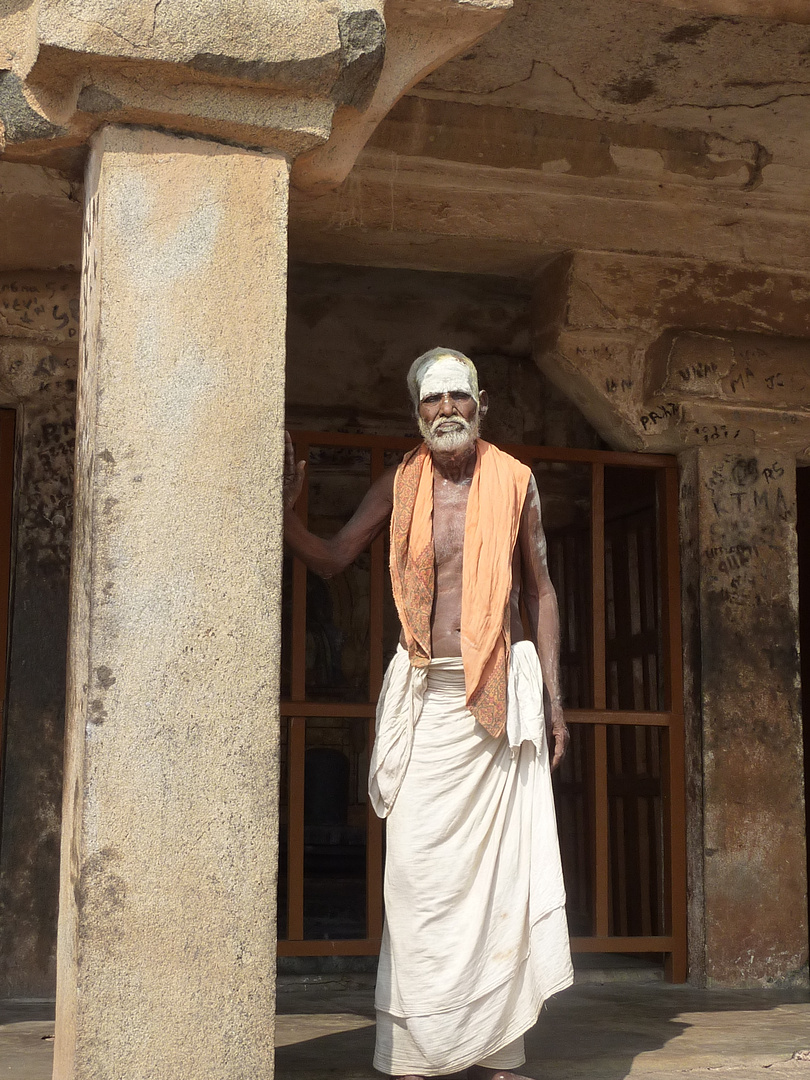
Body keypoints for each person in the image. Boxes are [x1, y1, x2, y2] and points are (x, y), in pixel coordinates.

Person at [283, 347, 573, 1080]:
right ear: (416, 413)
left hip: (498, 704)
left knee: (500, 883)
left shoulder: (516, 482)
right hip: (428, 701)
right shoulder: (400, 483)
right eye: (431, 400)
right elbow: (332, 557)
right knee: (413, 883)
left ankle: (500, 1050)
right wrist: (283, 518)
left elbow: (540, 591)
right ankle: (418, 1053)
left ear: (482, 404)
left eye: (458, 397)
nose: (446, 410)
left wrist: (555, 701)